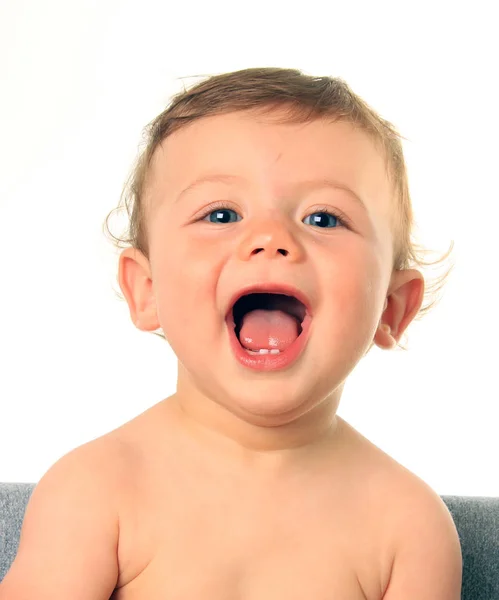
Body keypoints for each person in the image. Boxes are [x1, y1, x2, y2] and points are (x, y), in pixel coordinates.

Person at [0, 67, 461, 599]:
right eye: (221, 213)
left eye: (324, 219)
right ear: (146, 289)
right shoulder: (96, 492)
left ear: (391, 307)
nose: (271, 238)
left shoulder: (407, 528)